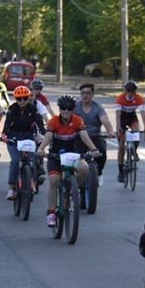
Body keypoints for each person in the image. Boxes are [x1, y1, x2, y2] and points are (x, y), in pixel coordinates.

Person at [36, 95, 99, 228]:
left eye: (69, 108)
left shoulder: (77, 120)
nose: (66, 111)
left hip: (72, 154)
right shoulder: (53, 121)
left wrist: (93, 149)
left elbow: (83, 135)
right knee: (54, 180)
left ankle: (71, 190)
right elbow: (48, 136)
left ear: (73, 109)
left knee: (85, 167)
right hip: (55, 155)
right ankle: (51, 212)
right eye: (63, 108)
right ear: (59, 109)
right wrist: (41, 149)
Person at [0, 85, 45, 200]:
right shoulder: (12, 109)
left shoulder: (32, 109)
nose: (22, 101)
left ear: (28, 97)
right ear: (15, 99)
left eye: (24, 98)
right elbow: (7, 123)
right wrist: (4, 135)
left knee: (34, 157)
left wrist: (44, 135)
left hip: (28, 136)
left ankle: (32, 181)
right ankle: (11, 188)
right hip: (14, 137)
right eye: (19, 99)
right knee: (15, 161)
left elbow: (39, 122)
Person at [74, 82, 116, 182]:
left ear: (93, 94)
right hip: (79, 136)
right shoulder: (76, 107)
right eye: (83, 93)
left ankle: (99, 172)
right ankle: (76, 178)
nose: (85, 95)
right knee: (76, 156)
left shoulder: (98, 108)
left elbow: (105, 120)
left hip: (95, 136)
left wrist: (110, 131)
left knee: (102, 153)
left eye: (88, 93)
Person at [114, 80, 145, 182]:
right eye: (128, 91)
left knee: (136, 133)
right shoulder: (120, 98)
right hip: (123, 119)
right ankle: (120, 171)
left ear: (135, 91)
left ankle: (134, 152)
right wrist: (118, 128)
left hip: (132, 117)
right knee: (121, 146)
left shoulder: (139, 98)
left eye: (132, 91)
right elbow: (118, 115)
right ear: (125, 91)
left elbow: (143, 114)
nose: (130, 93)